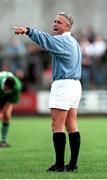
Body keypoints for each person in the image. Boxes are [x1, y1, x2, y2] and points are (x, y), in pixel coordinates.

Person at [13, 12, 82, 172]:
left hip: (63, 85)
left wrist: (28, 30)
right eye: (54, 21)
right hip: (75, 85)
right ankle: (72, 165)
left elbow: (46, 40)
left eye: (59, 22)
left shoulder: (62, 40)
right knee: (71, 124)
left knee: (56, 125)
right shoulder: (73, 41)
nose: (55, 23)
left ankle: (59, 165)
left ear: (67, 26)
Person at [0, 71, 22, 148]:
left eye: (10, 89)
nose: (8, 90)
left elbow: (11, 102)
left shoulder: (17, 86)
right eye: (7, 88)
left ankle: (3, 141)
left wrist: (3, 112)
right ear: (4, 84)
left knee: (7, 116)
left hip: (7, 99)